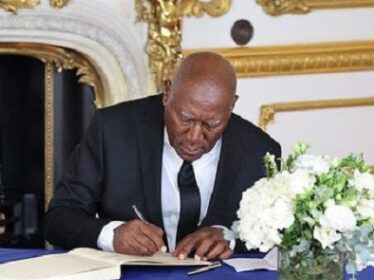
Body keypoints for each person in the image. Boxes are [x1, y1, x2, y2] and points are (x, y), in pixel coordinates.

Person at [44, 52, 280, 260]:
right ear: (167, 93)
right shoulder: (112, 130)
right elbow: (59, 219)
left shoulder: (259, 151)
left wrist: (229, 238)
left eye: (212, 124)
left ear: (232, 105)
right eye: (185, 119)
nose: (195, 137)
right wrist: (111, 234)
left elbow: (276, 233)